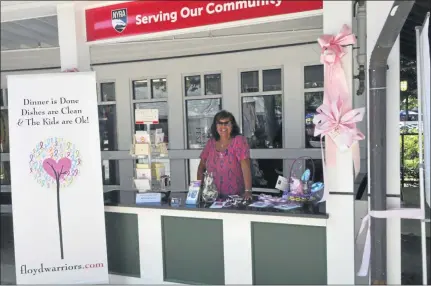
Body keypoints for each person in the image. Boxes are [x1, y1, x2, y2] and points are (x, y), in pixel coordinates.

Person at [197, 110, 253, 199]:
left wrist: (248, 191)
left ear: (232, 125)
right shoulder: (211, 143)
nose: (223, 126)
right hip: (212, 195)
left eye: (226, 123)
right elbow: (201, 167)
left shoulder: (239, 141)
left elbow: (245, 166)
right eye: (220, 123)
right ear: (215, 126)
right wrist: (198, 189)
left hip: (235, 195)